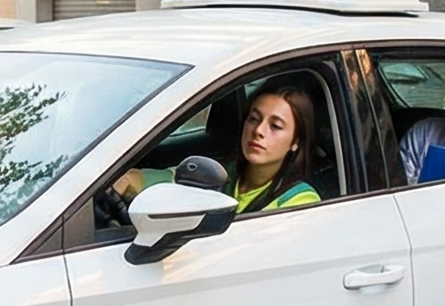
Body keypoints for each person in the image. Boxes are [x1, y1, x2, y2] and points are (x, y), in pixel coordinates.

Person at [113, 84, 323, 213]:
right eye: (253, 118)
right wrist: (126, 181)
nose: (258, 130)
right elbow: (160, 181)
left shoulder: (301, 201)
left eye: (275, 126)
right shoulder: (219, 173)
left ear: (296, 142)